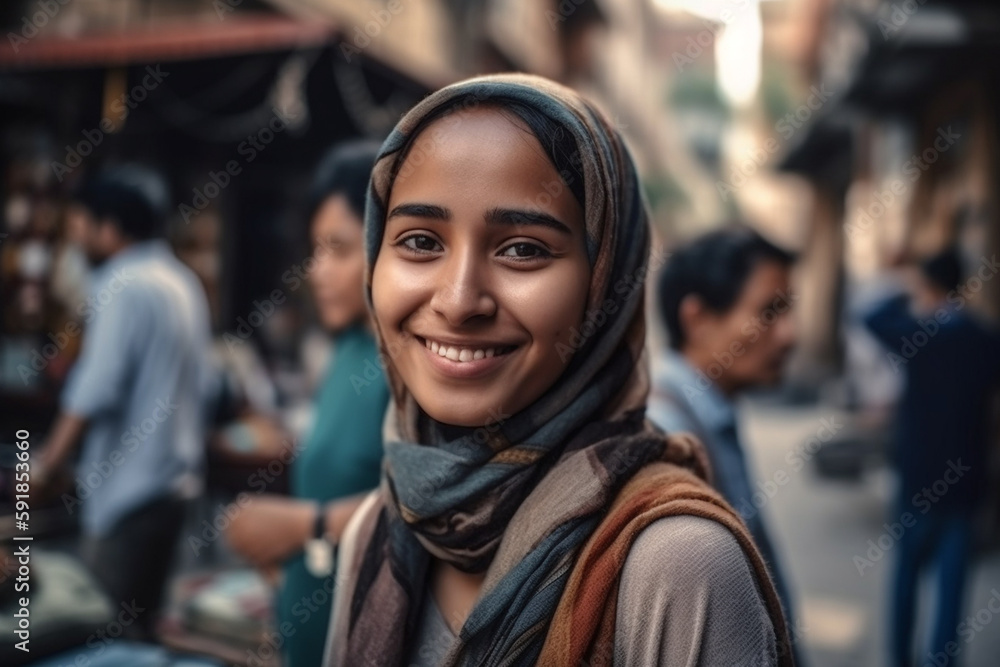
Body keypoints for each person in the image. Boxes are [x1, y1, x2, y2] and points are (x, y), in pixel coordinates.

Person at [321, 74, 793, 667]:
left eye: (523, 248)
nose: (460, 299)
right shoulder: (378, 531)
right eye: (420, 241)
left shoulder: (676, 565)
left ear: (604, 287)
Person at [224, 141, 389, 667]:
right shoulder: (346, 349)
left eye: (339, 250)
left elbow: (439, 512)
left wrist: (300, 526)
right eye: (315, 250)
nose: (317, 271)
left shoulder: (413, 367)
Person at [34, 165, 215, 640]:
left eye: (81, 229)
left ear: (109, 228)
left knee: (98, 634)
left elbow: (96, 387)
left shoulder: (123, 282)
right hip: (174, 490)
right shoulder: (182, 280)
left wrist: (46, 465)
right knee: (139, 632)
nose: (77, 243)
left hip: (127, 496)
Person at [646, 226, 802, 655]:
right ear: (697, 319)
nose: (790, 335)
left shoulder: (710, 410)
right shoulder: (665, 435)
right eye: (769, 312)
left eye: (788, 311)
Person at [862, 248, 1000, 667]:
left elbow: (870, 316)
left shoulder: (918, 335)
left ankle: (900, 658)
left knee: (906, 579)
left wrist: (905, 283)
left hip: (918, 480)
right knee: (952, 589)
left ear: (929, 286)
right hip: (966, 483)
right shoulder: (984, 338)